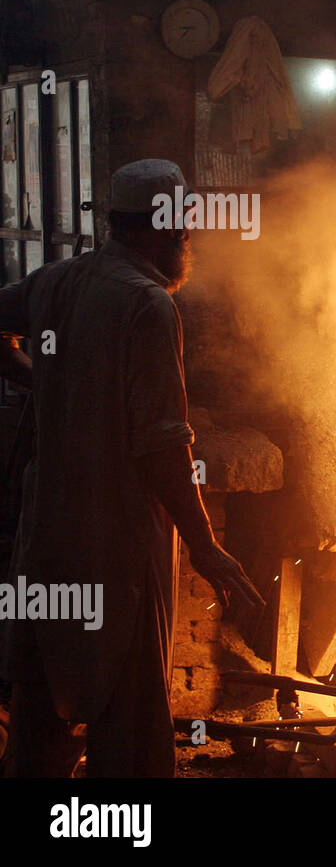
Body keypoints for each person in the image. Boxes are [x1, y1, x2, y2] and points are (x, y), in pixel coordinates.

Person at [0, 159, 262, 777]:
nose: (188, 240)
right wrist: (205, 546)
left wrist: (39, 381)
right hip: (117, 548)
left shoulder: (56, 282)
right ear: (170, 230)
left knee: (42, 723)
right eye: (185, 229)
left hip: (46, 546)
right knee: (132, 725)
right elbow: (163, 443)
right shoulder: (146, 305)